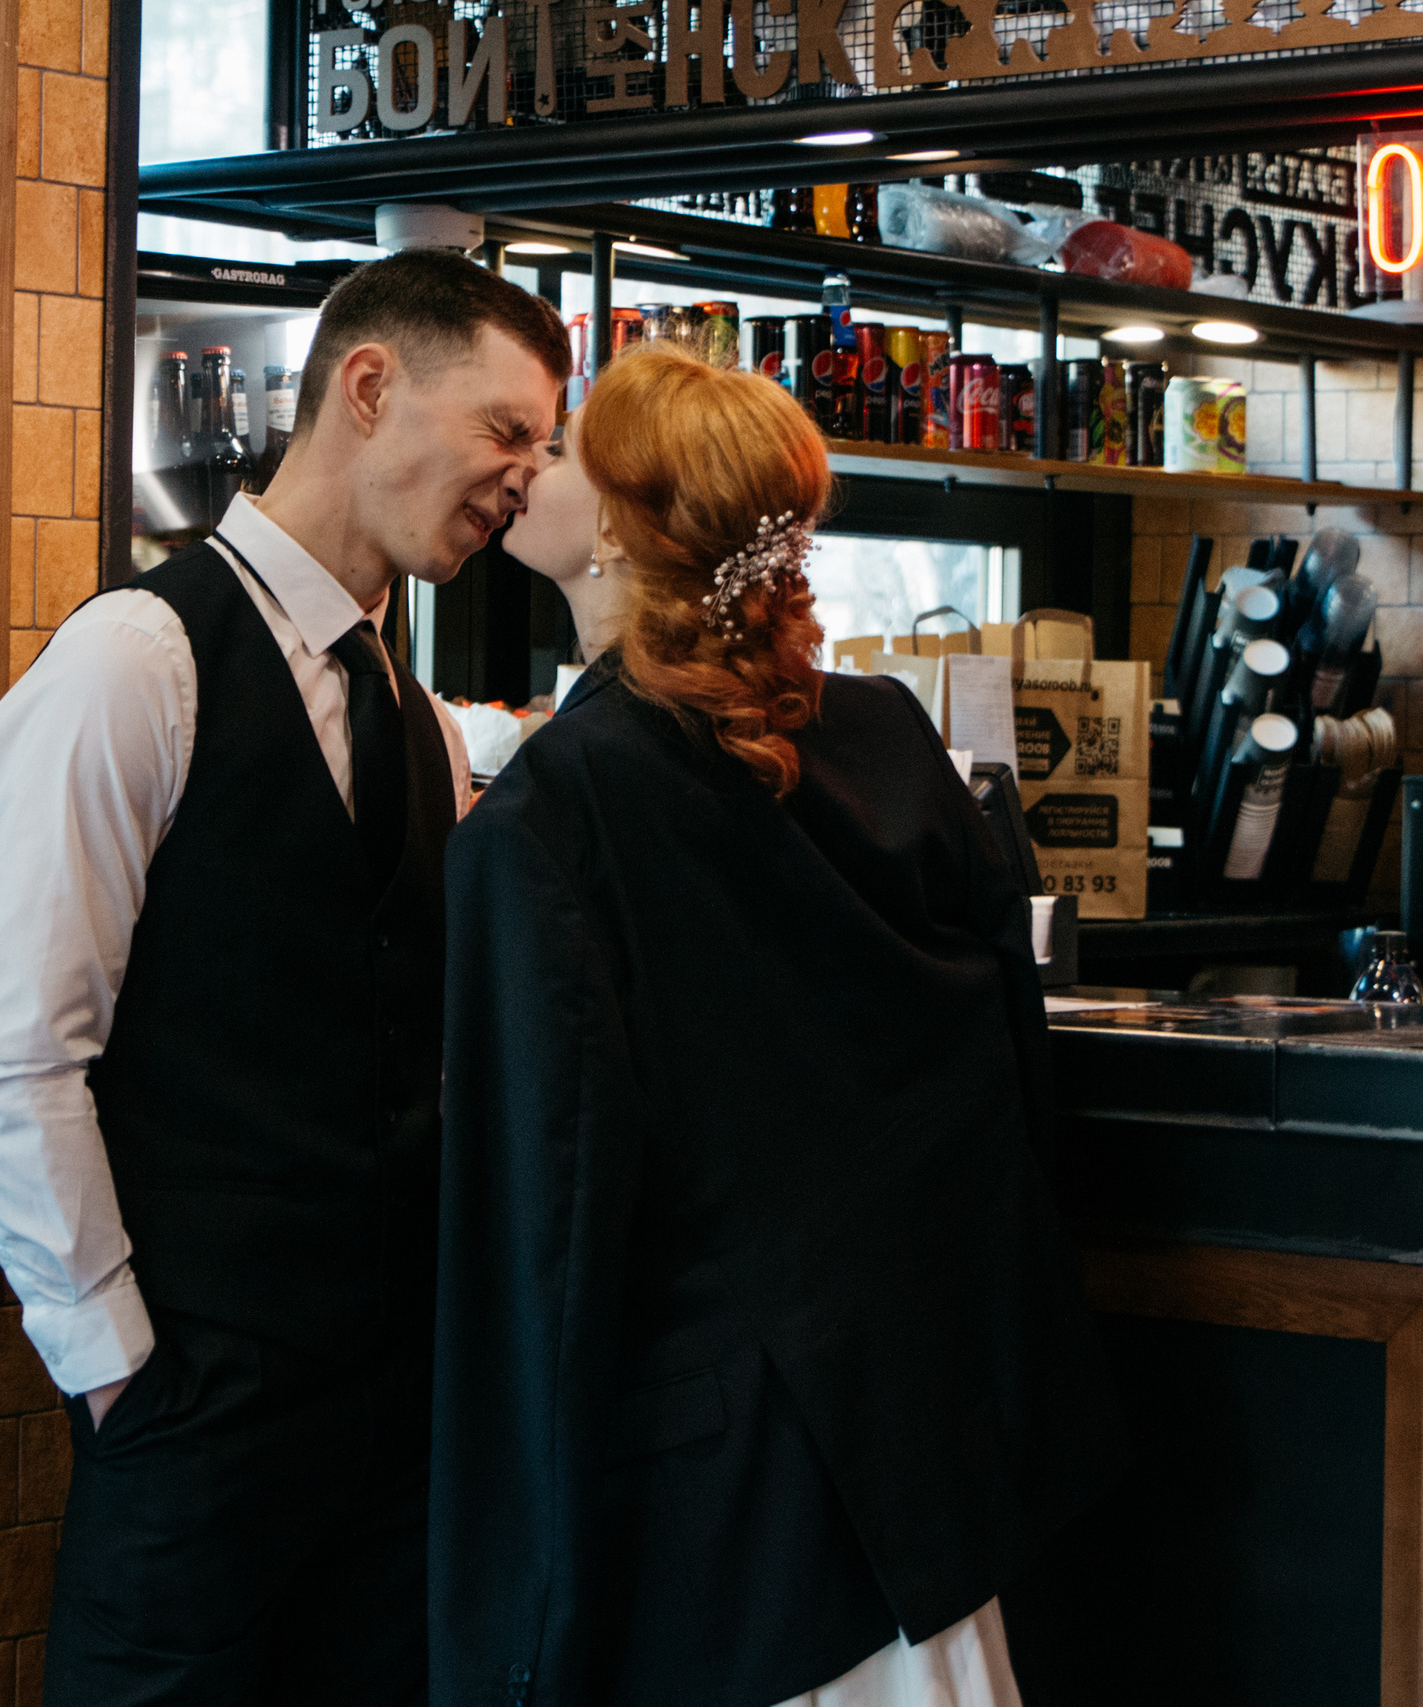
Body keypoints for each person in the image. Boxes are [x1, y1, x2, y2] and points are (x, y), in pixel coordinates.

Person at [435, 344, 1129, 1706]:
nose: (530, 465)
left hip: (718, 1520)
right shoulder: (888, 739)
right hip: (929, 1464)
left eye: (566, 450)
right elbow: (1010, 1076)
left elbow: (545, 1225)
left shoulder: (560, 814)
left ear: (627, 531)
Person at [0, 248, 570, 1706]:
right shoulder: (135, 661)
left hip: (391, 1441)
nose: (524, 483)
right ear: (369, 387)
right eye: (506, 431)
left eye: (540, 451)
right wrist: (124, 1380)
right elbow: (22, 1059)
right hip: (196, 1421)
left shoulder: (419, 720)